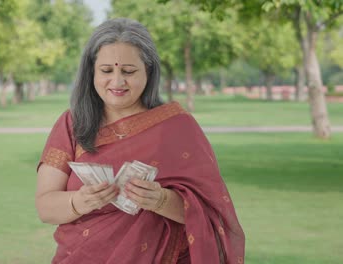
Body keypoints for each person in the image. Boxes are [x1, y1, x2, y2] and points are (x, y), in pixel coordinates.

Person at [35, 18, 245, 264]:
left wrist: (160, 200)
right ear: (91, 71)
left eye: (128, 71)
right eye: (106, 71)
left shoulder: (177, 127)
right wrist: (79, 201)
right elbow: (45, 207)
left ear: (149, 71)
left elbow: (210, 213)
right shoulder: (73, 125)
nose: (117, 82)